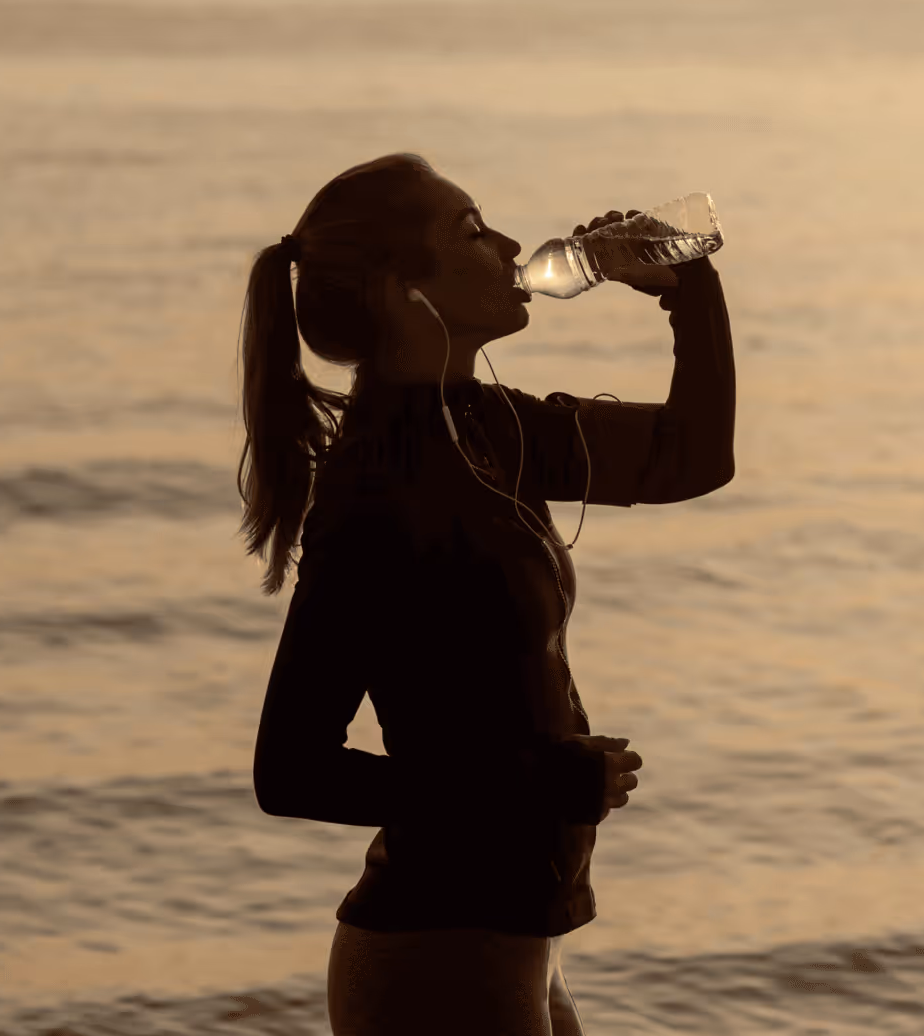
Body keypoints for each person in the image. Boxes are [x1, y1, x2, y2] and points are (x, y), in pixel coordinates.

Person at [239, 152, 735, 1035]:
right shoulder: (375, 495)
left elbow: (692, 458)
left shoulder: (489, 426)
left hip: (516, 947)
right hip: (436, 956)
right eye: (471, 230)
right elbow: (290, 771)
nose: (511, 245)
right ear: (404, 291)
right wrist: (534, 778)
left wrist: (688, 289)